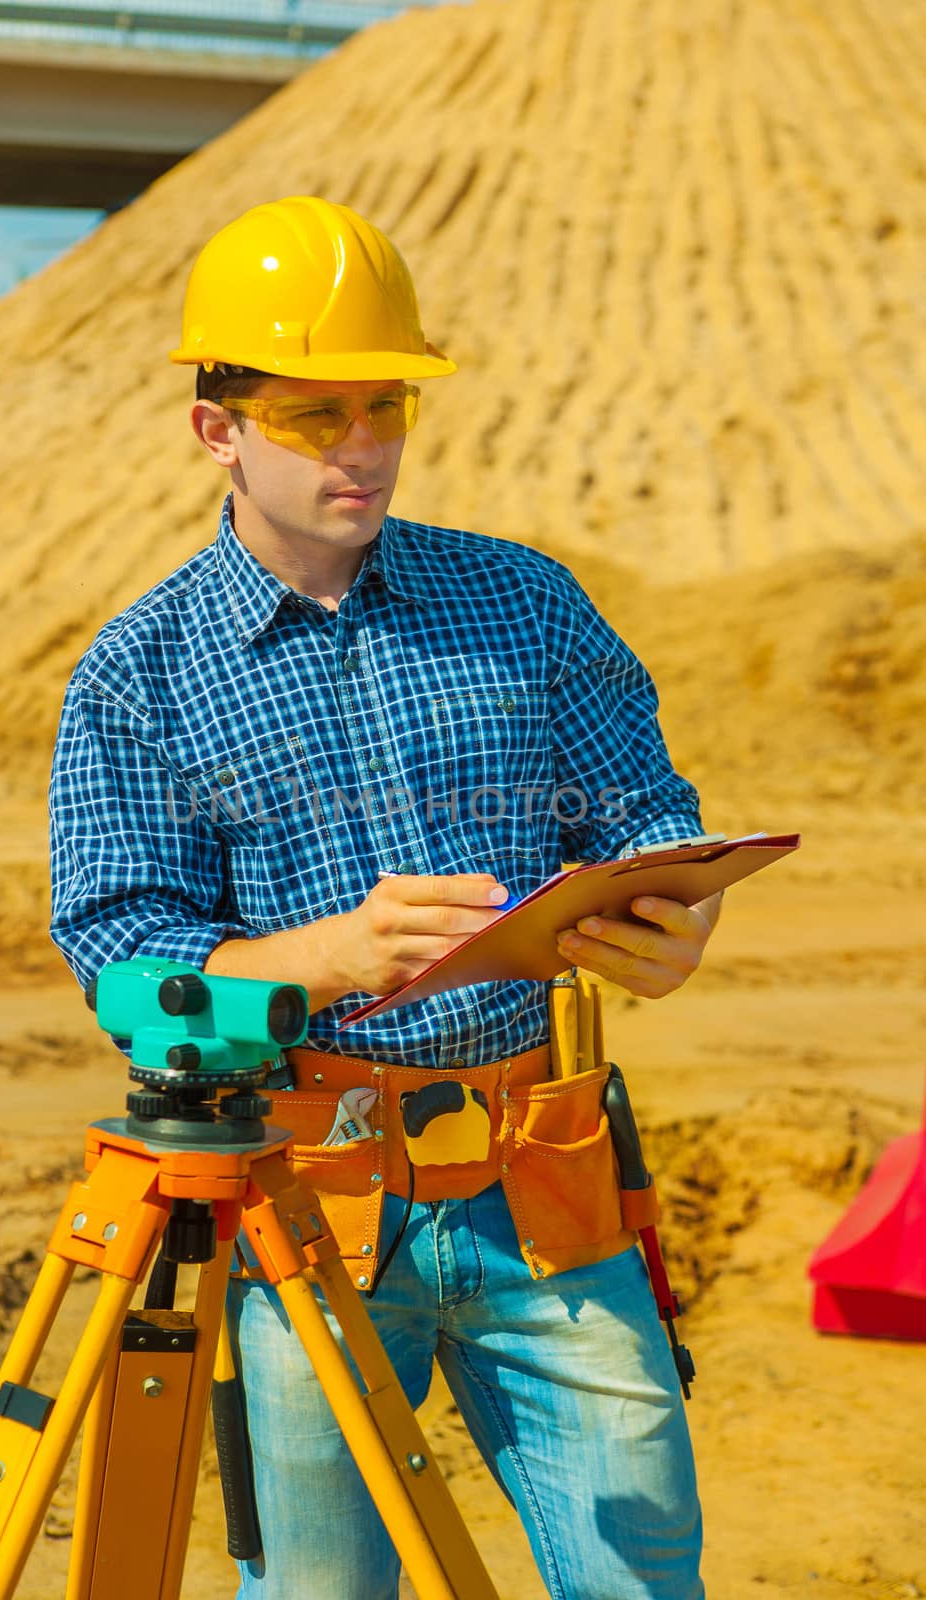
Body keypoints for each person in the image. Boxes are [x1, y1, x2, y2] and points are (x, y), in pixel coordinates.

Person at [49, 196, 720, 1599]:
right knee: (321, 1587)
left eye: (386, 406)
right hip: (311, 1206)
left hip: (548, 1188)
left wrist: (670, 909)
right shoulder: (140, 674)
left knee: (642, 1569)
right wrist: (332, 956)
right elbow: (122, 953)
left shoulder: (524, 604)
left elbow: (646, 813)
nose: (365, 445)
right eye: (315, 415)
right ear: (216, 428)